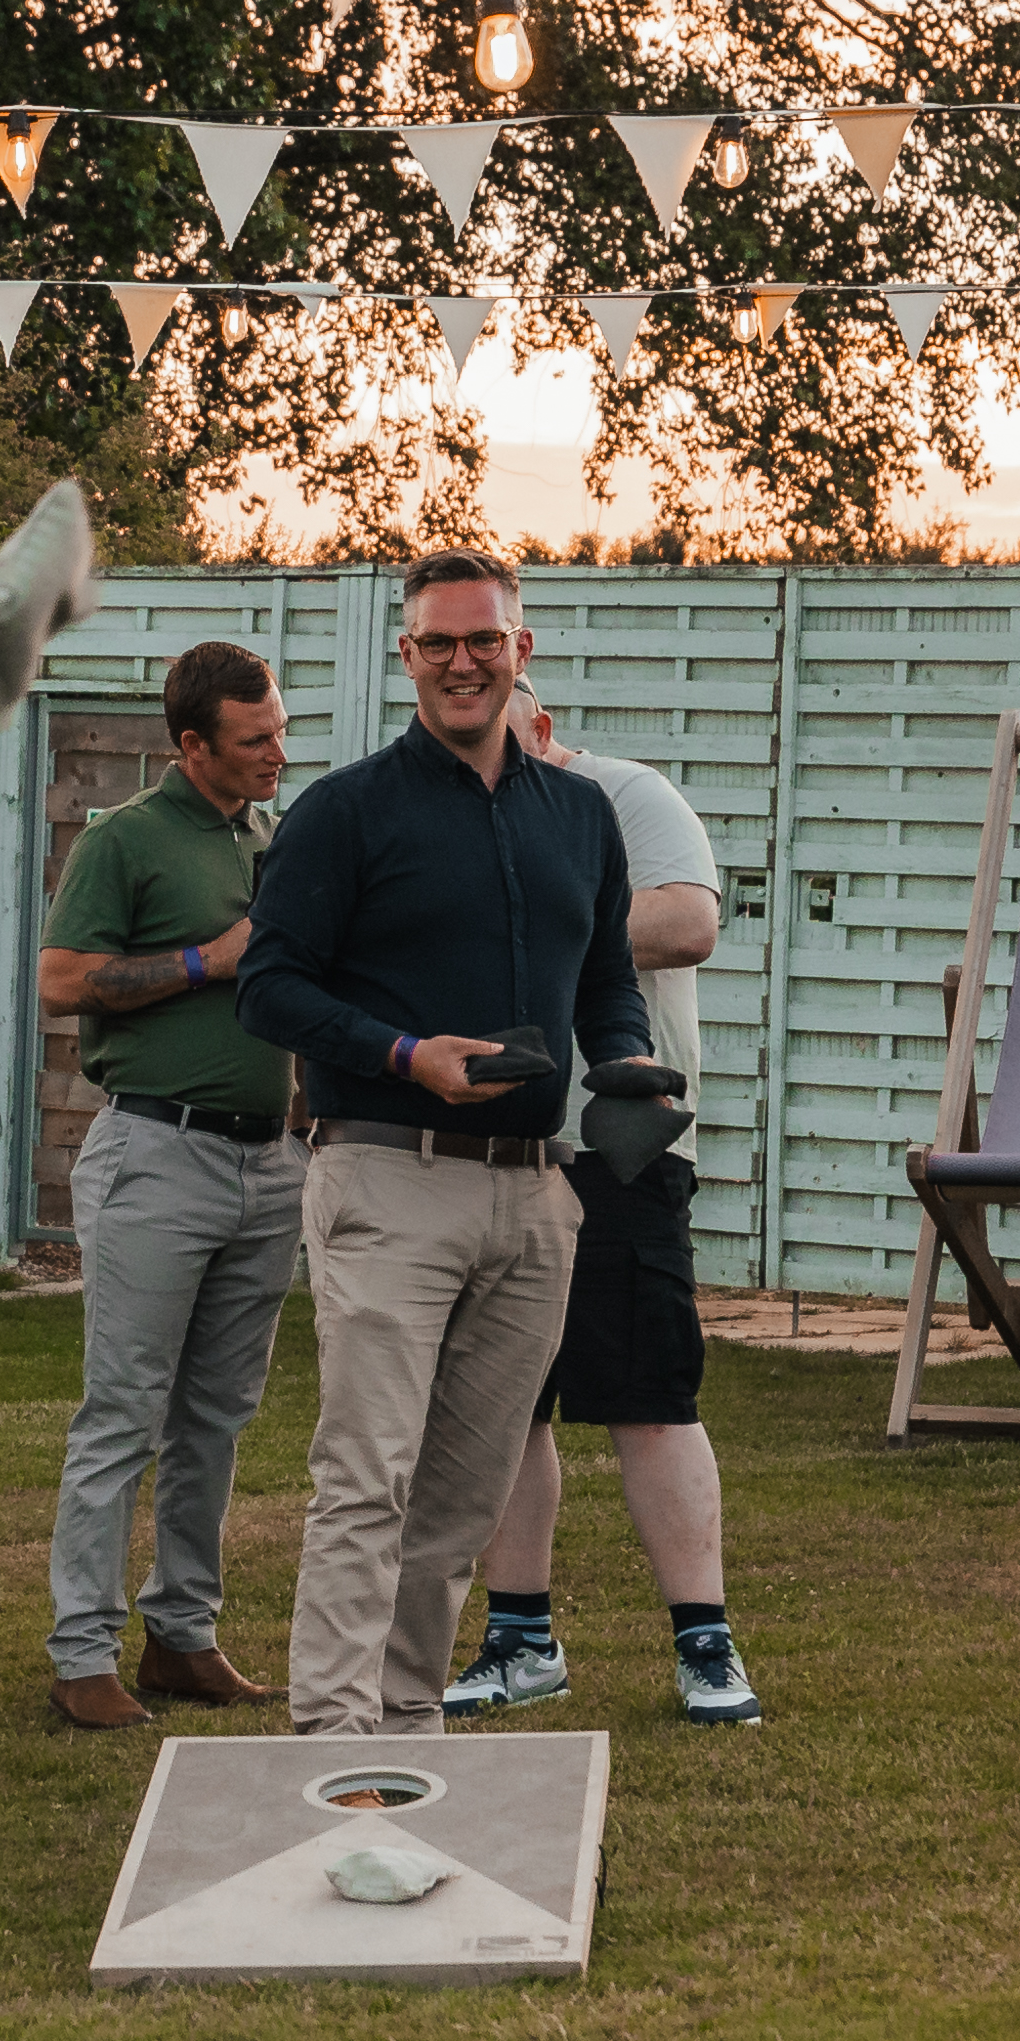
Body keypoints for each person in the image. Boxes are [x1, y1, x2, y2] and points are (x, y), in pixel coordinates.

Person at [234, 554, 645, 1736]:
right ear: (404, 656)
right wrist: (408, 1051)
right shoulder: (346, 810)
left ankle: (406, 1722)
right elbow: (268, 989)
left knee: (464, 1492)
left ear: (525, 649)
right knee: (368, 1473)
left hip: (532, 1198)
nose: (463, 662)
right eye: (437, 643)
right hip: (385, 1173)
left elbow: (607, 982)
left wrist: (624, 1065)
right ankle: (332, 1735)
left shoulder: (581, 815)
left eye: (484, 640)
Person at [448, 693, 763, 1726]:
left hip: (615, 1149)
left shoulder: (629, 796)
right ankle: (520, 1638)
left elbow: (688, 922)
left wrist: (539, 916)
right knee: (507, 1406)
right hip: (492, 1147)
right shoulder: (458, 814)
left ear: (538, 730)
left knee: (650, 1395)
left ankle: (704, 1643)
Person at [30, 639, 299, 1729]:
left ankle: (182, 1636)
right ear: (192, 744)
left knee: (218, 1418)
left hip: (267, 1162)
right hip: (157, 1154)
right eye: (255, 739)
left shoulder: (269, 837)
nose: (279, 751)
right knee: (123, 1413)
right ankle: (80, 1651)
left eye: (280, 728)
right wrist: (205, 959)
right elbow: (58, 981)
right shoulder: (126, 840)